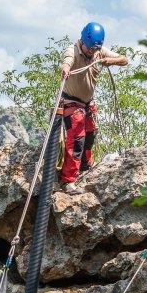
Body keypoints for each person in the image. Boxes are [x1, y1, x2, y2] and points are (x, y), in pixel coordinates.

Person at [58, 21, 129, 193]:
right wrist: (65, 69)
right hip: (71, 101)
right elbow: (66, 62)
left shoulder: (99, 52)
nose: (92, 52)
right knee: (77, 138)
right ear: (82, 41)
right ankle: (68, 180)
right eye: (90, 49)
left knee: (90, 136)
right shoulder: (72, 50)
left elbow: (124, 60)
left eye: (95, 49)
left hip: (88, 103)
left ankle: (84, 167)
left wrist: (109, 61)